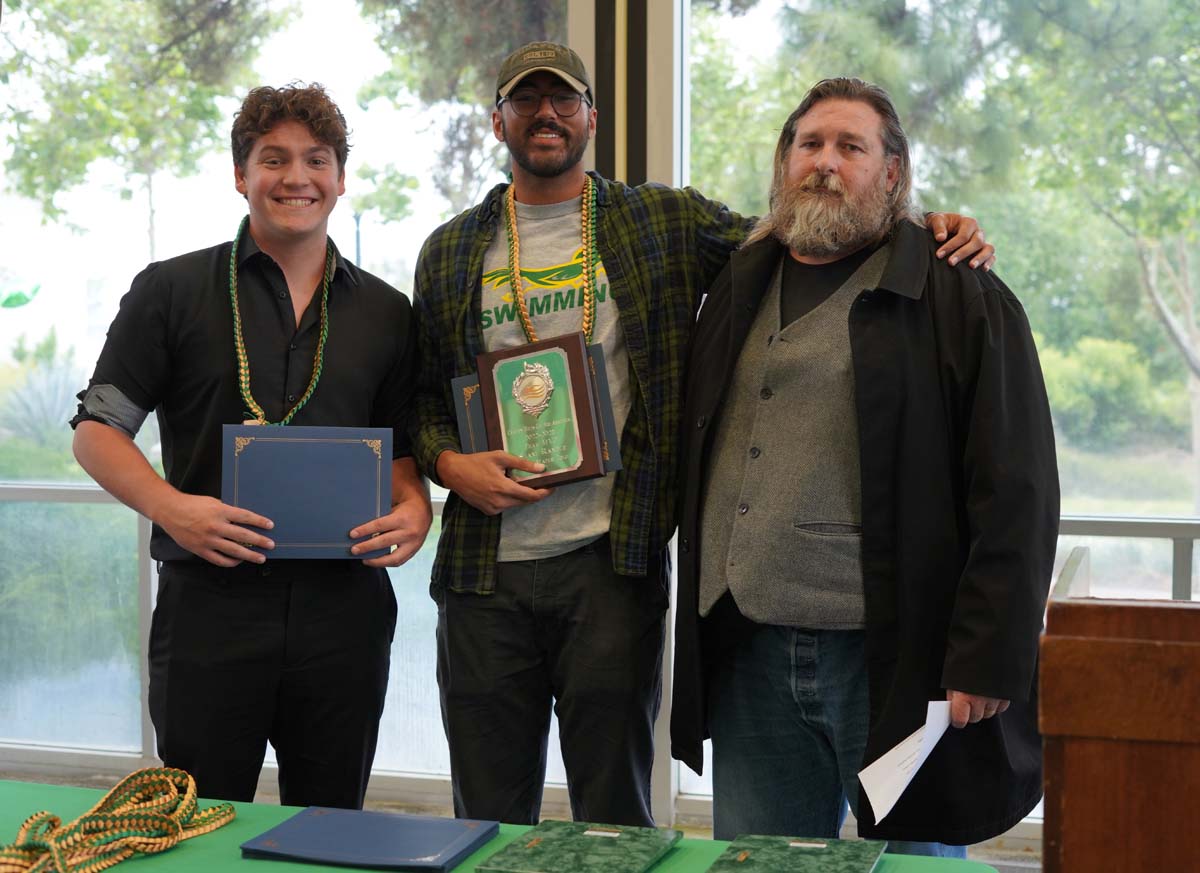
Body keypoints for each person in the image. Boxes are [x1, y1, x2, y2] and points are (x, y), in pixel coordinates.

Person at [410, 43, 995, 827]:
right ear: (497, 121)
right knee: (483, 815)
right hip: (484, 571)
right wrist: (450, 463)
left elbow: (815, 230)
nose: (545, 115)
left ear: (591, 117)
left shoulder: (661, 220)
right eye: (525, 101)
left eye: (564, 100)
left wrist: (931, 225)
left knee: (614, 814)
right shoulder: (448, 249)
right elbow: (417, 399)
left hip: (610, 567)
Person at [670, 77, 1059, 855]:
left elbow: (1016, 492)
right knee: (763, 863)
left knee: (913, 860)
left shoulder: (960, 297)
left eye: (850, 147)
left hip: (891, 662)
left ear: (892, 174)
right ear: (784, 164)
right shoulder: (737, 282)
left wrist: (988, 656)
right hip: (748, 650)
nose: (825, 162)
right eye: (809, 144)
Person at [70, 84, 431, 809]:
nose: (296, 178)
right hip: (210, 610)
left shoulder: (389, 313)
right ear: (241, 175)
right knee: (196, 826)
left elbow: (399, 454)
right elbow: (96, 432)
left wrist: (416, 507)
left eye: (316, 160)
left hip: (345, 618)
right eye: (274, 159)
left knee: (329, 830)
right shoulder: (169, 291)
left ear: (339, 177)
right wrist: (173, 508)